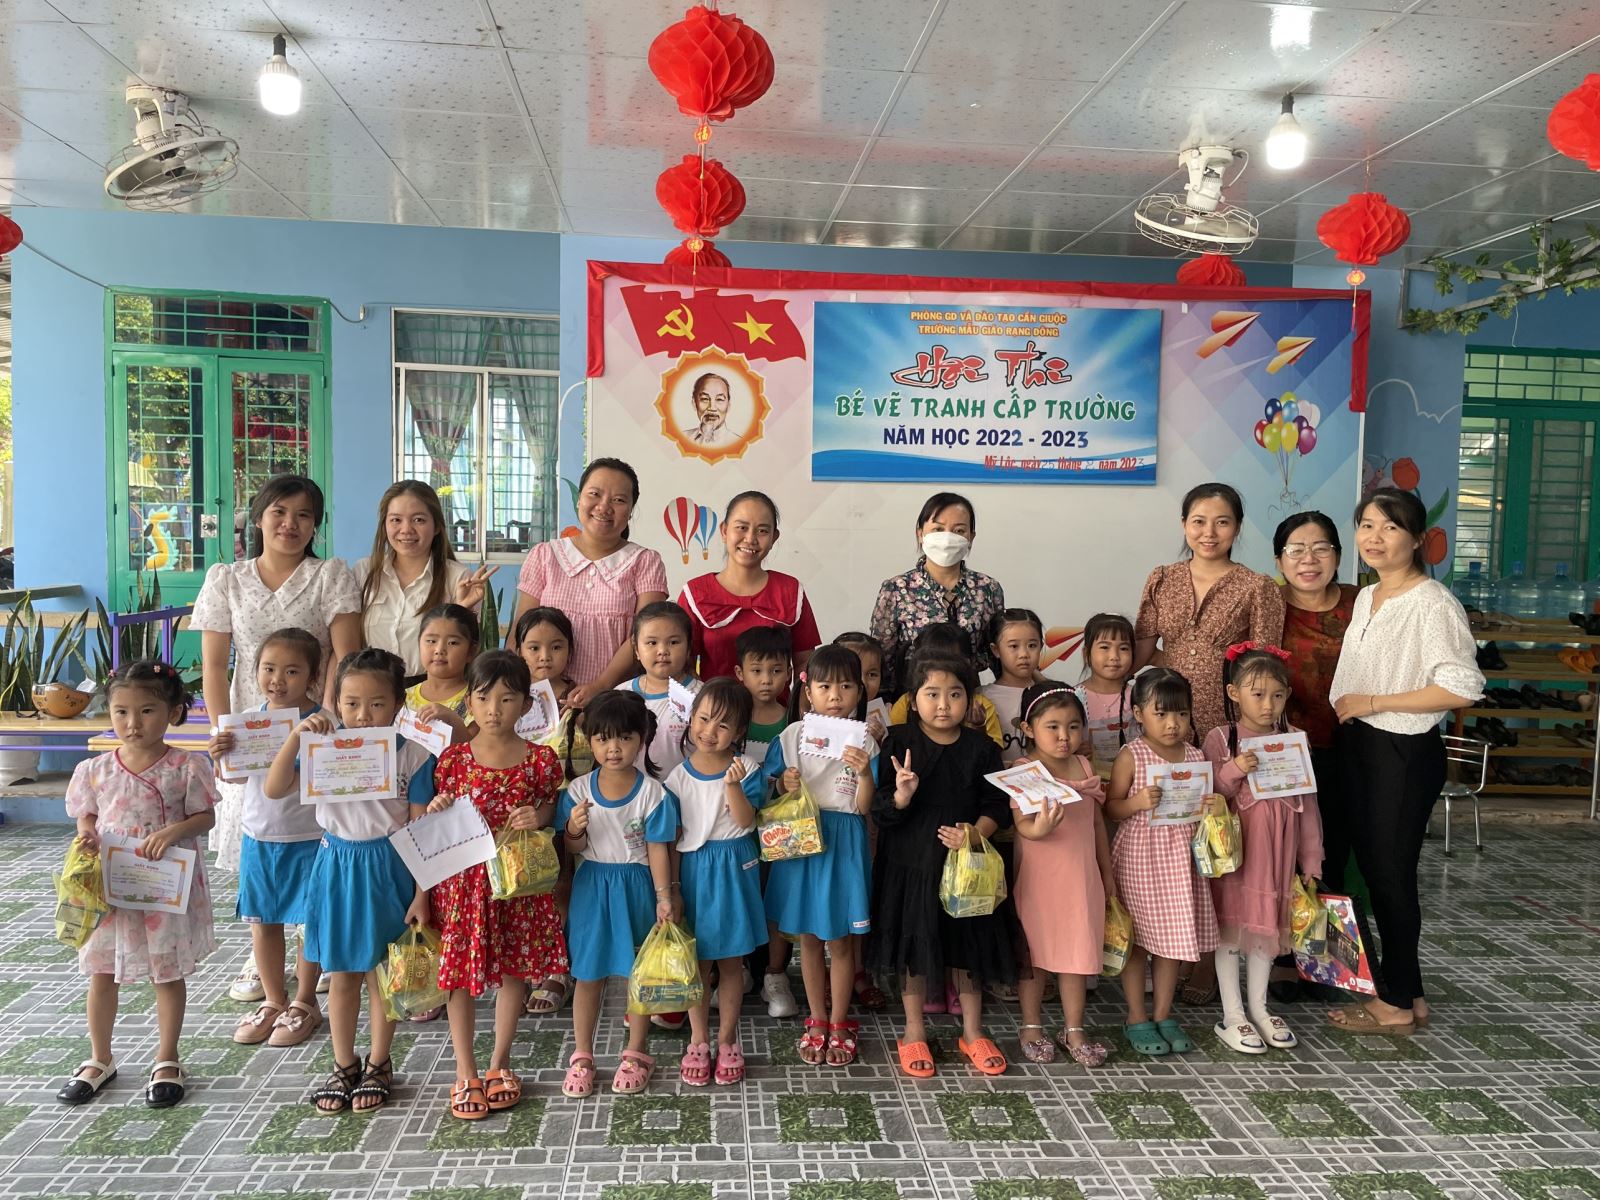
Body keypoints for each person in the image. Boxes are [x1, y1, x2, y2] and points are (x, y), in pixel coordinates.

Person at [190, 474, 361, 1003]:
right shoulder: (227, 578)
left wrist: (329, 723)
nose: (290, 524)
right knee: (259, 839)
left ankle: (317, 945)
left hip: (316, 727)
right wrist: (224, 734)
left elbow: (345, 658)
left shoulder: (330, 575)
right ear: (258, 518)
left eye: (304, 515)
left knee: (311, 839)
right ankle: (261, 954)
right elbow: (214, 667)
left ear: (316, 525)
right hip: (252, 732)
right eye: (279, 512)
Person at [1328, 488, 1483, 1036]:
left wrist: (1375, 702)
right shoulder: (1369, 596)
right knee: (1377, 873)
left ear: (1417, 539)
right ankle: (1409, 993)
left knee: (1390, 876)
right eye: (1367, 525)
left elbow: (1462, 686)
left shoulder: (1432, 602)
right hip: (1362, 747)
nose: (1374, 537)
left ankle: (1393, 1005)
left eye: (1390, 527)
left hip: (1401, 750)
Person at [264, 649, 433, 1114]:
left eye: (376, 704)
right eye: (351, 703)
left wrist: (422, 893)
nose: (363, 715)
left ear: (399, 703)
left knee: (382, 974)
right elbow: (274, 788)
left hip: (390, 867)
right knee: (341, 974)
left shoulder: (415, 756)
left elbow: (422, 829)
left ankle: (379, 1062)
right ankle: (343, 1064)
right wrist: (296, 736)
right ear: (336, 702)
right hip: (337, 865)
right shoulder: (321, 747)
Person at [57, 662, 217, 1109]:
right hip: (112, 887)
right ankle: (99, 1057)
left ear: (173, 712)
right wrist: (86, 834)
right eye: (121, 711)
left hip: (164, 887)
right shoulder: (94, 769)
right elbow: (87, 814)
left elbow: (205, 816)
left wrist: (174, 831)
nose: (133, 723)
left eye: (147, 711)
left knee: (166, 973)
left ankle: (167, 1058)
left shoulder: (187, 766)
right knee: (101, 972)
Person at [420, 652, 568, 1120]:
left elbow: (550, 807)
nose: (494, 709)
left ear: (526, 705)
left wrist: (538, 816)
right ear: (469, 702)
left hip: (516, 885)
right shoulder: (453, 760)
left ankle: (500, 1063)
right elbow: (438, 817)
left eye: (507, 699)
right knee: (460, 977)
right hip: (464, 887)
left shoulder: (540, 760)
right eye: (484, 698)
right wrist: (438, 807)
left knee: (514, 971)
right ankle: (465, 1070)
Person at [870, 655, 1014, 1079]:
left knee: (969, 946)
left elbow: (997, 804)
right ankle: (913, 1031)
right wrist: (901, 795)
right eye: (932, 694)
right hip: (910, 865)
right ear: (913, 700)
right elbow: (880, 809)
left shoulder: (982, 748)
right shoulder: (898, 741)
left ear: (970, 700)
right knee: (913, 946)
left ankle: (973, 1031)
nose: (944, 704)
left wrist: (975, 832)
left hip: (966, 870)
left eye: (955, 694)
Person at [555, 692, 680, 1097]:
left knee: (638, 976)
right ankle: (582, 1056)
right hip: (592, 888)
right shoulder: (577, 791)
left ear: (641, 739)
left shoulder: (653, 794)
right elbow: (572, 848)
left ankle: (636, 1051)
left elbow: (658, 849)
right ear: (590, 741)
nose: (614, 748)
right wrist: (573, 828)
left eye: (624, 738)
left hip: (637, 888)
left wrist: (664, 896)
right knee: (587, 974)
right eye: (603, 738)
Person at [762, 646, 879, 1066]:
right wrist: (784, 784)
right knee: (809, 939)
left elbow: (864, 807)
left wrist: (863, 772)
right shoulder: (791, 736)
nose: (835, 696)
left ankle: (840, 1022)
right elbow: (769, 787)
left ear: (859, 692)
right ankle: (816, 1018)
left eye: (846, 686)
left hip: (844, 841)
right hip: (801, 840)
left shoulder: (865, 741)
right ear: (808, 691)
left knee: (841, 941)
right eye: (825, 686)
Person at [1204, 645, 1323, 1054]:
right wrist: (1235, 768)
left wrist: (1311, 858)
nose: (1268, 705)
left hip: (1278, 858)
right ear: (1234, 693)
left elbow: (1308, 806)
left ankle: (1259, 1006)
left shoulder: (1294, 741)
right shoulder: (1222, 738)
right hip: (1237, 859)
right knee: (1230, 932)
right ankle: (1232, 1014)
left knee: (1266, 932)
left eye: (1277, 695)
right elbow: (1209, 794)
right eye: (1257, 694)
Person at [211, 629, 325, 1050]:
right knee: (263, 922)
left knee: (310, 923)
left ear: (312, 676)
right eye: (268, 668)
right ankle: (274, 1001)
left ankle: (305, 1002)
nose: (278, 680)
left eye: (292, 671)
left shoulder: (324, 723)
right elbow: (238, 778)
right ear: (254, 670)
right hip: (259, 835)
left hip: (311, 837)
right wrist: (221, 755)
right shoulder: (249, 720)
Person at [1105, 668, 1222, 1058]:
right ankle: (1136, 1015)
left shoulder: (1196, 756)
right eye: (1161, 713)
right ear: (1139, 714)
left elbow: (1200, 812)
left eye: (1181, 714)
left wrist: (1209, 807)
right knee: (1138, 942)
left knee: (1172, 943)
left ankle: (1163, 1013)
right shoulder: (1132, 755)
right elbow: (1111, 808)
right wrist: (1137, 803)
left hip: (1181, 862)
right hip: (1140, 857)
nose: (1173, 723)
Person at [667, 681, 768, 1085]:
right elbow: (672, 840)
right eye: (704, 719)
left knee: (730, 963)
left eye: (723, 725)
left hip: (735, 867)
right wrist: (673, 888)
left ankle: (727, 1040)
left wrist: (732, 785)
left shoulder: (749, 770)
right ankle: (698, 1040)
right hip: (694, 872)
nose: (710, 731)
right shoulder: (677, 778)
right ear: (691, 718)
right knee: (697, 963)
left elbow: (746, 821)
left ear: (740, 732)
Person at [508, 459, 668, 707]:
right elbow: (520, 630)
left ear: (630, 510)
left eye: (618, 500)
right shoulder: (544, 555)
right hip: (543, 700)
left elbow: (645, 635)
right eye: (594, 494)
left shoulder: (646, 561)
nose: (604, 507)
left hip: (615, 702)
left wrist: (601, 686)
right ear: (579, 500)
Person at [1010, 684, 1113, 1068]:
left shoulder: (1084, 767)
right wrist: (1041, 827)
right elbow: (1022, 825)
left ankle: (1074, 1029)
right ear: (1028, 728)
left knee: (1076, 955)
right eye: (1052, 727)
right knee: (1035, 956)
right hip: (1040, 880)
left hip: (1081, 880)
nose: (1063, 736)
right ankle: (1031, 1026)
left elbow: (1096, 824)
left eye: (1073, 726)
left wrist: (1106, 873)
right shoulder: (1024, 771)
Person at [1134, 482, 1285, 740]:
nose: (1209, 533)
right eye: (1199, 522)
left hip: (1231, 719)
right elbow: (1142, 651)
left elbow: (1265, 669)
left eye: (1222, 522)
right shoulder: (1162, 579)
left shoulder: (1258, 586)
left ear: (1237, 527)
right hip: (1168, 717)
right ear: (1184, 524)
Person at [1275, 512, 1359, 893]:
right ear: (1279, 561)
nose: (1308, 559)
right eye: (1296, 550)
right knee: (1282, 855)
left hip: (1352, 747)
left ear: (1337, 556)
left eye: (1320, 548)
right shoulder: (1266, 604)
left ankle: (1329, 928)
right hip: (1284, 750)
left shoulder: (1362, 602)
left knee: (1335, 853)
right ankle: (1281, 933)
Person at [870, 492, 1005, 698]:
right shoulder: (896, 589)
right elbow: (881, 660)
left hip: (968, 699)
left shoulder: (987, 588)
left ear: (971, 537)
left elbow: (999, 655)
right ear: (920, 533)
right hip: (911, 700)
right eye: (938, 529)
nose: (948, 538)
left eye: (959, 530)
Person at [679, 491, 821, 682]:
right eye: (742, 528)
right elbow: (683, 665)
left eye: (762, 531)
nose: (750, 538)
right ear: (724, 531)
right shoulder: (695, 593)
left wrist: (799, 701)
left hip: (777, 703)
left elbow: (805, 664)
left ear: (774, 538)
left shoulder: (790, 591)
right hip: (714, 701)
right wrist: (706, 699)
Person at [732, 625, 800, 1019]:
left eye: (775, 671)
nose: (766, 680)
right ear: (739, 673)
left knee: (776, 901)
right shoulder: (732, 721)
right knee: (743, 897)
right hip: (737, 832)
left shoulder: (792, 723)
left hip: (782, 831)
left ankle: (775, 974)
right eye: (756, 671)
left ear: (789, 673)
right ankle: (738, 969)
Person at [355, 480, 490, 677]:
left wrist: (461, 609)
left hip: (431, 688)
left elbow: (464, 650)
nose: (406, 529)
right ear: (384, 525)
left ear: (436, 526)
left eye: (418, 520)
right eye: (396, 520)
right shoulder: (363, 572)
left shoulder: (458, 578)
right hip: (372, 687)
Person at [616, 601, 702, 779]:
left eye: (673, 642)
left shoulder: (703, 696)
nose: (662, 651)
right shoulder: (620, 695)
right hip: (634, 792)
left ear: (689, 648)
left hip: (685, 792)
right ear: (636, 649)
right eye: (652, 642)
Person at [1078, 614, 1140, 779]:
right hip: (1088, 783)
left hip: (1133, 784)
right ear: (1086, 653)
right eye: (1105, 647)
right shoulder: (1074, 697)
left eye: (1123, 648)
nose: (1114, 656)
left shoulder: (1140, 696)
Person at [984, 608, 1046, 766]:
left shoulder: (1051, 694)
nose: (1024, 654)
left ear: (1041, 646)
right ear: (996, 650)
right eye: (1013, 646)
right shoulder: (983, 698)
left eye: (1032, 645)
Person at [689, 371, 733, 445]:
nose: (712, 408)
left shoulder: (738, 442)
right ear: (694, 403)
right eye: (705, 399)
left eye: (719, 399)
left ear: (728, 405)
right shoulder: (682, 438)